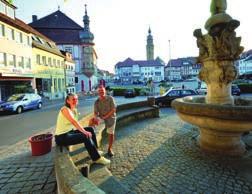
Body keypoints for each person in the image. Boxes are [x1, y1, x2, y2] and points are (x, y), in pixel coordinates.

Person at [54, 93, 110, 165]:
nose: (75, 101)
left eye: (76, 99)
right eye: (73, 99)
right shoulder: (64, 109)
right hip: (61, 137)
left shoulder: (73, 110)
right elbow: (74, 122)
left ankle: (94, 150)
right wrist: (84, 132)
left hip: (70, 132)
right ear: (68, 101)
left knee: (90, 129)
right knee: (85, 136)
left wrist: (86, 130)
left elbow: (76, 122)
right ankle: (97, 158)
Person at [94, 86, 116, 157]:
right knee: (95, 131)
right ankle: (95, 148)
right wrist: (96, 118)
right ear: (98, 93)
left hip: (111, 118)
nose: (101, 92)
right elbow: (95, 112)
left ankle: (110, 149)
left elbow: (113, 110)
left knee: (111, 134)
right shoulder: (96, 102)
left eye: (102, 91)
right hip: (102, 119)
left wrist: (105, 117)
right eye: (100, 91)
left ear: (105, 91)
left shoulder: (110, 99)